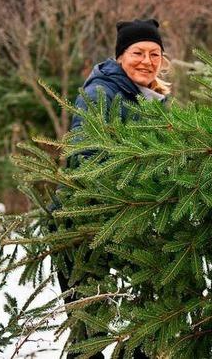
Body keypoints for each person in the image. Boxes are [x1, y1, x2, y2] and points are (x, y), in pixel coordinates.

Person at [57, 18, 171, 359]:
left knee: (143, 327)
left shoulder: (153, 99)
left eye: (155, 54)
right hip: (86, 222)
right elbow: (84, 157)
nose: (147, 61)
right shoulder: (100, 93)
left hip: (131, 223)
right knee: (89, 335)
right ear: (121, 55)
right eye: (138, 52)